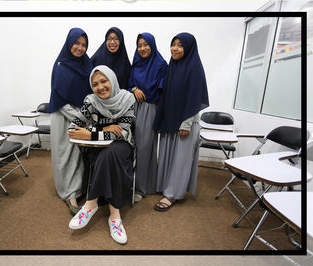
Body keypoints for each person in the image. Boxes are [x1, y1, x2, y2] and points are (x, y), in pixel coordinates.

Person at [67, 65, 135, 245]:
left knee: (110, 154)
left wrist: (90, 133)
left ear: (112, 80)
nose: (100, 87)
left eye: (104, 81)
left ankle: (91, 204)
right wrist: (104, 128)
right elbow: (72, 128)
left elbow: (122, 132)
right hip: (98, 147)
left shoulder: (128, 99)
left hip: (123, 146)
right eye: (95, 84)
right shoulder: (91, 101)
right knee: (105, 155)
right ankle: (114, 217)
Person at [152, 32, 209, 212]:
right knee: (168, 156)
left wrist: (186, 123)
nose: (175, 48)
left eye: (180, 45)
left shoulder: (194, 68)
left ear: (189, 48)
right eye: (173, 44)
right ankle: (166, 187)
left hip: (186, 122)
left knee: (180, 161)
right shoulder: (173, 66)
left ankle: (172, 194)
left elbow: (195, 97)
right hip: (171, 120)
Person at [47, 28, 92, 216]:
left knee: (78, 155)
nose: (80, 48)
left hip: (82, 117)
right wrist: (79, 118)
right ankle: (69, 194)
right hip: (64, 116)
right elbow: (59, 98)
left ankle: (78, 189)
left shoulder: (87, 65)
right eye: (77, 43)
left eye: (83, 44)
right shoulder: (60, 66)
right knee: (64, 154)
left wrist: (86, 117)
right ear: (69, 43)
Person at [128, 32, 167, 202]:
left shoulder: (160, 64)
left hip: (150, 109)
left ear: (152, 45)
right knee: (131, 147)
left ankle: (141, 188)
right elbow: (128, 83)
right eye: (139, 45)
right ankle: (142, 183)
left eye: (146, 44)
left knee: (144, 149)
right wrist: (134, 89)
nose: (142, 48)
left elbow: (163, 91)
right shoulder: (136, 63)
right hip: (132, 107)